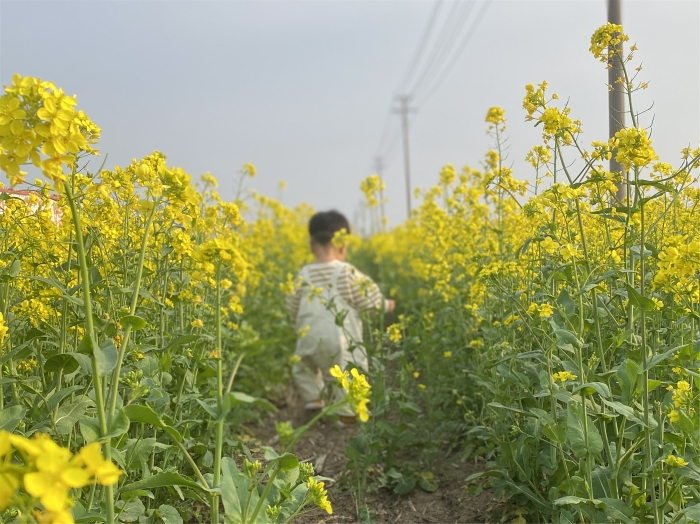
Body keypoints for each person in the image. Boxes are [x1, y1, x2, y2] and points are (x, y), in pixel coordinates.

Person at [285, 210, 394, 423]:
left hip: (308, 336)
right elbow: (369, 301)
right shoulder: (346, 272)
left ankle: (313, 400)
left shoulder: (303, 274)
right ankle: (348, 413)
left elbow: (292, 305)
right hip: (339, 340)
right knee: (350, 366)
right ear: (343, 246)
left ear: (311, 246)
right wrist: (386, 305)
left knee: (303, 367)